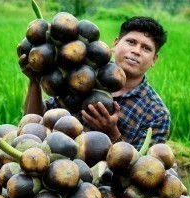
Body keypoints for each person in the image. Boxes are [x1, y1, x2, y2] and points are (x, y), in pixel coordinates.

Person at [21, 16, 169, 150]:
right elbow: (34, 126)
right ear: (115, 44)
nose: (136, 51)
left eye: (146, 48)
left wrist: (111, 132)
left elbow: (143, 170)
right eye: (131, 42)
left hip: (103, 179)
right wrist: (34, 81)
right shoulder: (80, 75)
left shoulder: (156, 113)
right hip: (57, 170)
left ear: (154, 60)